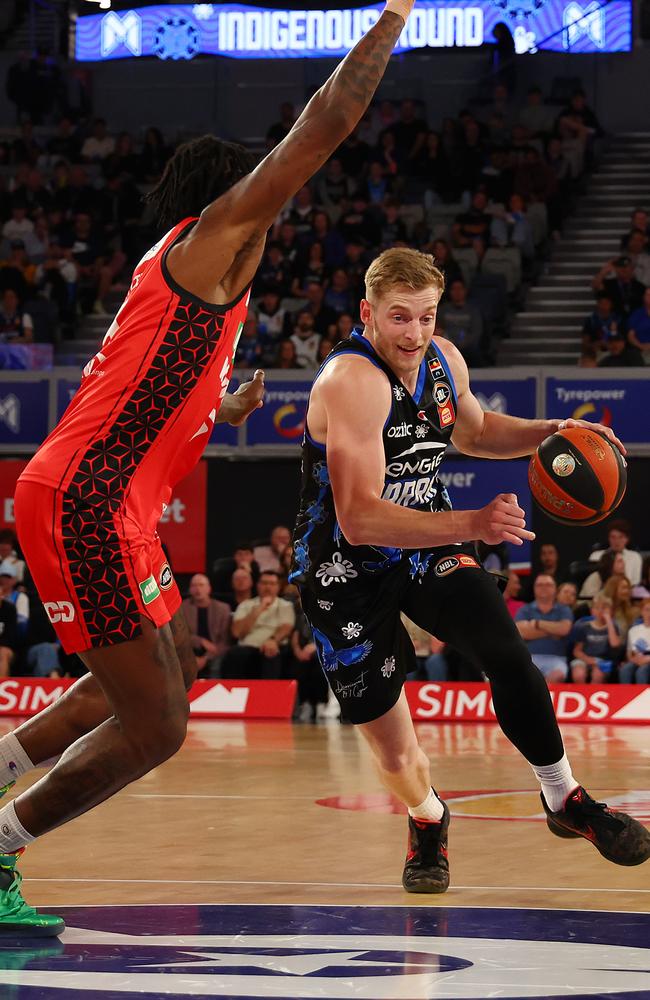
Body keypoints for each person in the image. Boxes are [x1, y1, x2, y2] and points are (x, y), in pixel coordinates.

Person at [0, 0, 419, 935]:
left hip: (106, 500)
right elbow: (322, 129)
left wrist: (217, 412)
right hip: (90, 501)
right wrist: (391, 21)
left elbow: (146, 395)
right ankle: (1, 847)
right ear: (236, 200)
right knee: (158, 728)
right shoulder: (212, 241)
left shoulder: (183, 275)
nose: (277, 221)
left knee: (129, 693)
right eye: (266, 202)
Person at [290, 244, 649, 895]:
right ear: (368, 312)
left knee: (503, 647)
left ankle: (564, 799)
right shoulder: (352, 383)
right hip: (344, 568)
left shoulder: (442, 361)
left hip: (426, 540)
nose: (415, 333)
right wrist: (476, 523)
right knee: (397, 755)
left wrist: (555, 431)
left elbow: (477, 432)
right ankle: (428, 818)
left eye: (426, 317)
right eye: (400, 318)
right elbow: (360, 521)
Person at [225, 570, 295, 679]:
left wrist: (273, 640)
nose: (268, 587)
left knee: (271, 654)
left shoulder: (285, 605)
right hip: (247, 647)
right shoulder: (246, 605)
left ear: (278, 587)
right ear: (257, 585)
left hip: (274, 646)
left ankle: (269, 694)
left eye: (272, 584)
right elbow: (237, 633)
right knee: (235, 654)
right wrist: (258, 610)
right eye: (264, 583)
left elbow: (286, 627)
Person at [515, 575, 573, 683]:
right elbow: (521, 633)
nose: (543, 587)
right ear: (534, 588)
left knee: (558, 674)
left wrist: (537, 623)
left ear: (555, 588)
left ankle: (543, 697)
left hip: (556, 659)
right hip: (530, 658)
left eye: (548, 585)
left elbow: (564, 629)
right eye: (539, 585)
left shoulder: (564, 610)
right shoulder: (525, 610)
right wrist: (552, 631)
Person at [180, 573, 232, 678]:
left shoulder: (223, 609)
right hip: (189, 650)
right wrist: (200, 641)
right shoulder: (181, 608)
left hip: (216, 651)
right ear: (190, 589)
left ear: (209, 588)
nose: (197, 589)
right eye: (194, 585)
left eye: (201, 585)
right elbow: (180, 635)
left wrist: (206, 658)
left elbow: (225, 640)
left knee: (218, 663)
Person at [569, 594, 621, 684]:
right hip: (584, 658)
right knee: (579, 674)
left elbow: (615, 644)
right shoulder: (583, 626)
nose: (600, 611)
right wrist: (591, 661)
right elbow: (577, 651)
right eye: (597, 608)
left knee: (598, 675)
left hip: (603, 661)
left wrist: (608, 620)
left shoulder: (613, 626)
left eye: (604, 608)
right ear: (592, 610)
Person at [589, 520, 643, 586]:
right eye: (613, 537)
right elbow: (593, 581)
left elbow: (636, 583)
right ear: (608, 538)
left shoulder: (635, 557)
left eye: (621, 537)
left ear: (627, 539)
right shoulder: (596, 556)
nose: (617, 541)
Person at [619, 598, 650, 684]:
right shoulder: (633, 630)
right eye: (647, 610)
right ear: (642, 612)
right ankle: (625, 695)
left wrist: (647, 659)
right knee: (625, 669)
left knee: (642, 671)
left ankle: (643, 697)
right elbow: (629, 652)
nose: (649, 613)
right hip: (637, 659)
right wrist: (633, 659)